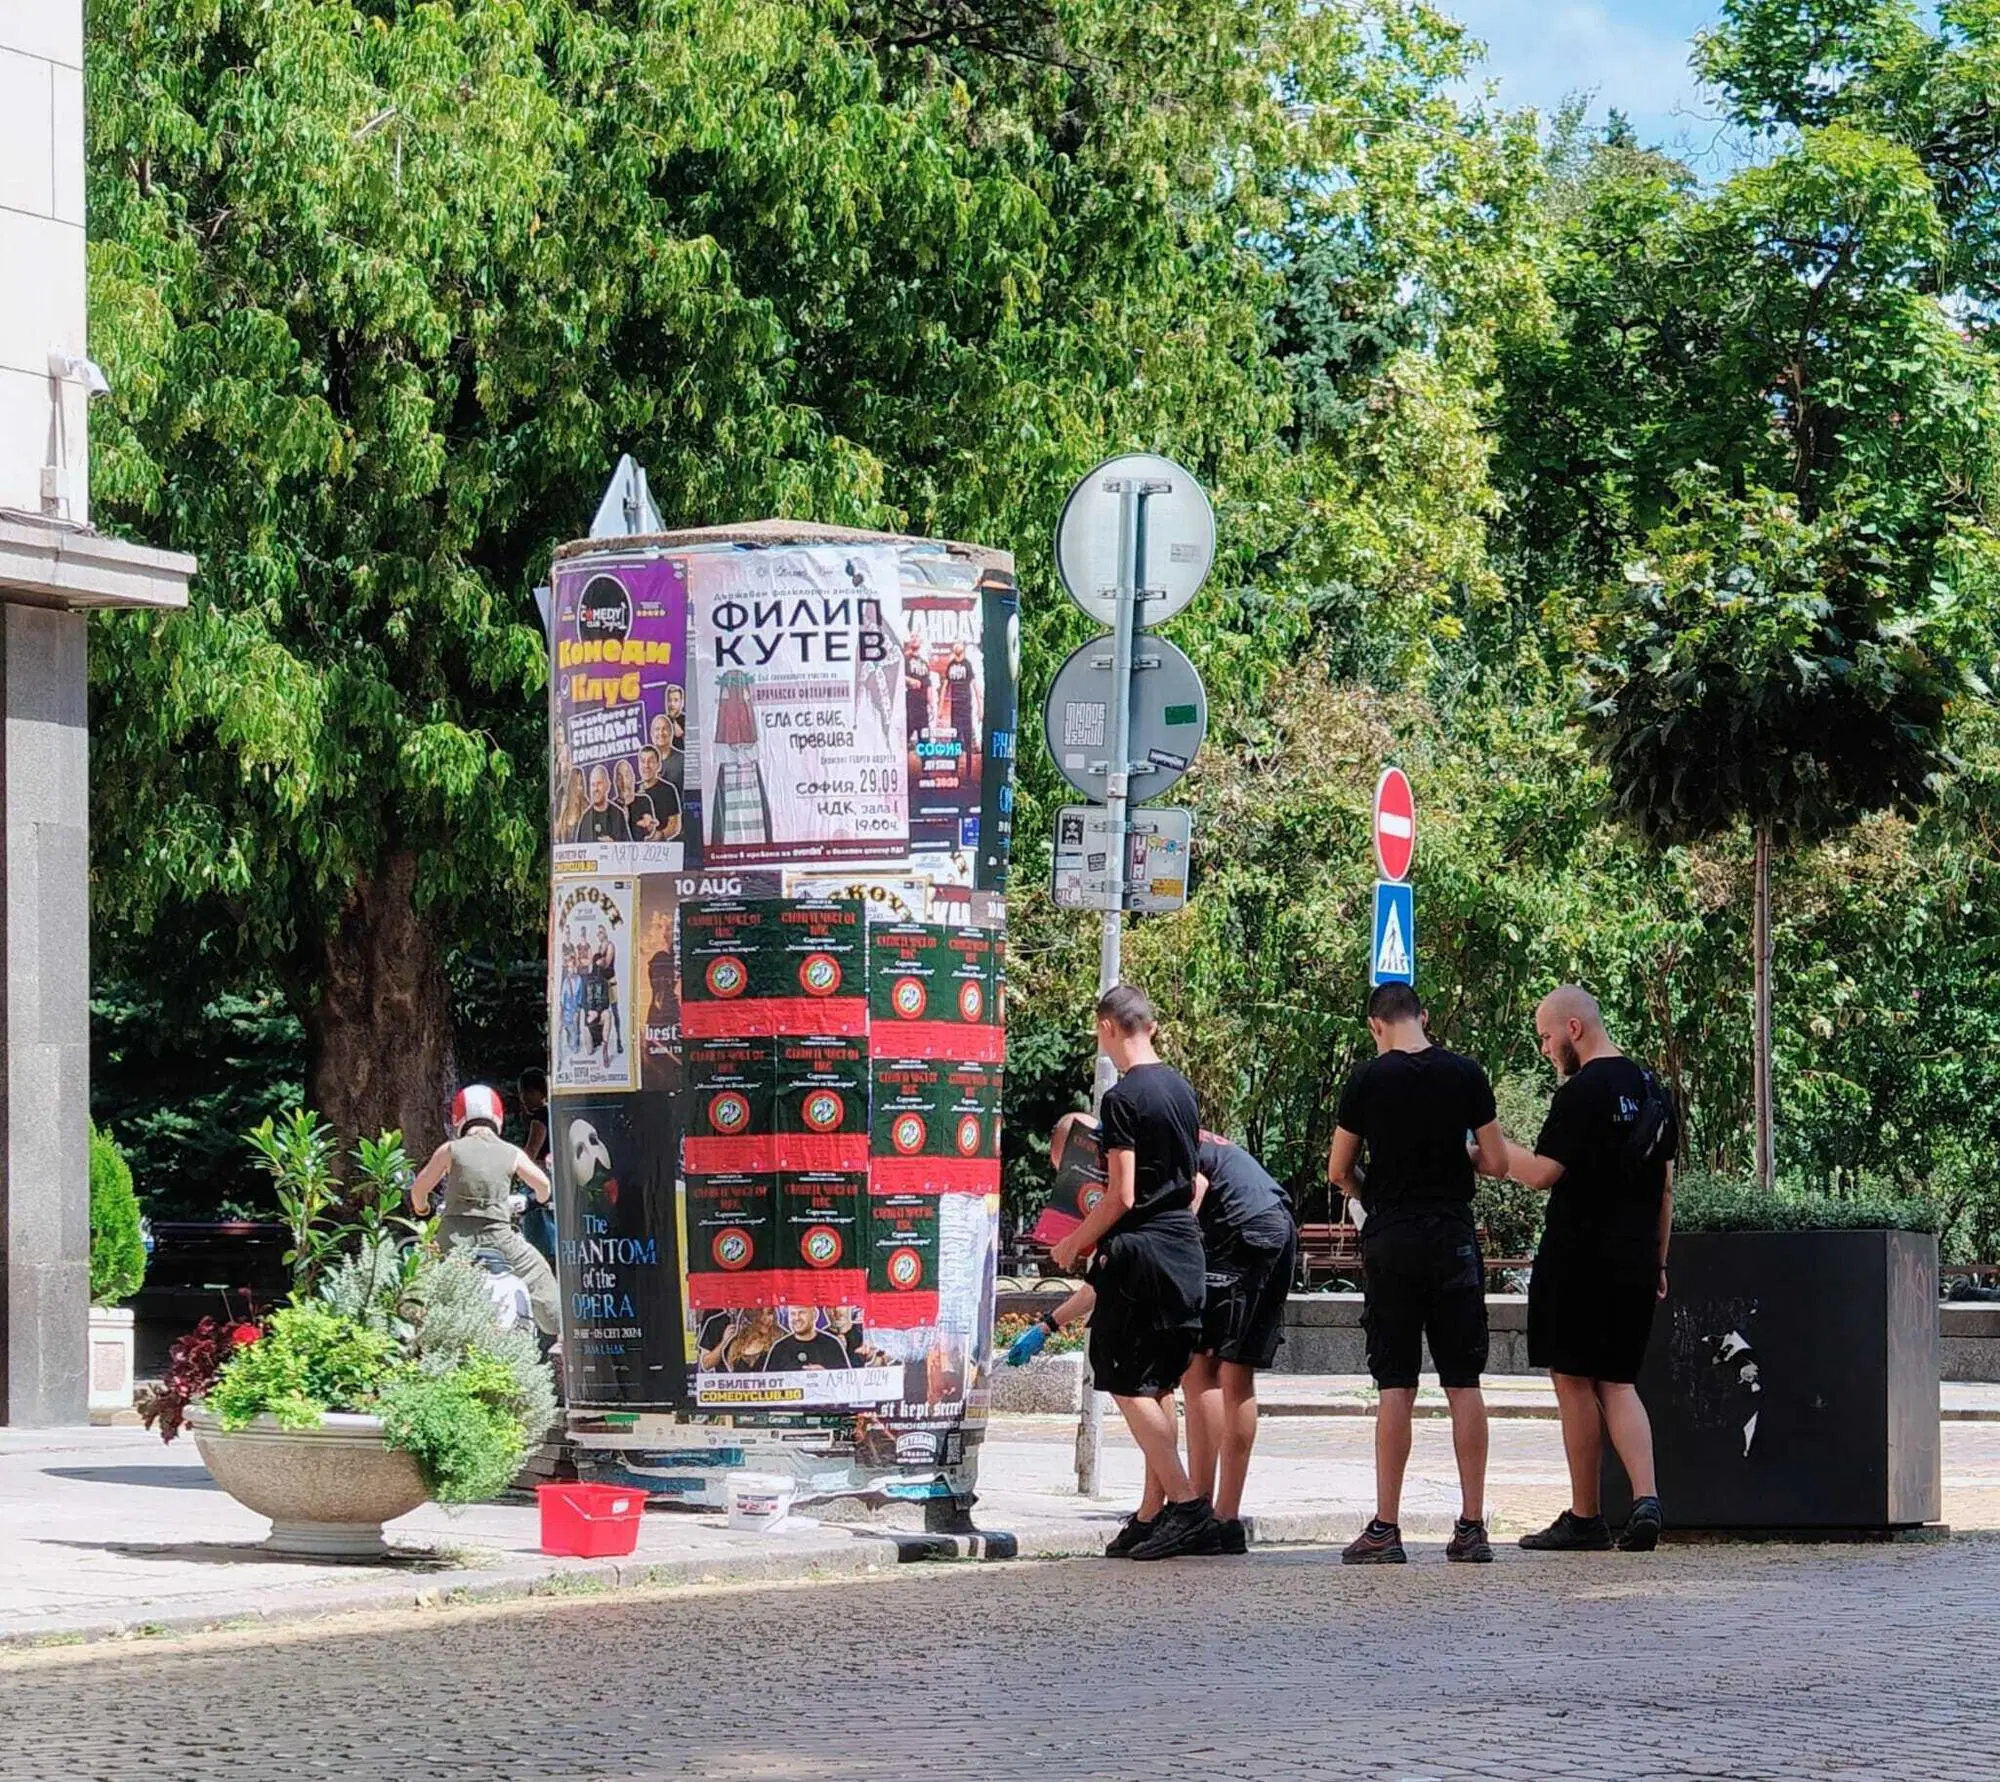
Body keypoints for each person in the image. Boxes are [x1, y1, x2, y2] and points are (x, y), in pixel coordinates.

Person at [1327, 982, 1510, 1565]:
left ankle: (1386, 1527)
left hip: (1391, 1240)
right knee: (1464, 1383)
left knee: (1395, 1385)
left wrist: (1369, 1197)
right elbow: (1498, 1161)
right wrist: (1463, 1158)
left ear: (1376, 1026)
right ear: (1423, 1018)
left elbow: (1338, 1169)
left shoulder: (1368, 1079)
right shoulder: (1466, 1074)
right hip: (1452, 1238)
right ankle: (1472, 1526)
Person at [1505, 986, 1677, 1554]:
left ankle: (1586, 1517)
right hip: (1634, 1257)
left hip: (1579, 1256)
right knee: (1619, 1381)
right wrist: (1658, 1259)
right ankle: (1647, 1497)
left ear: (1573, 1029)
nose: (1547, 1049)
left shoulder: (1582, 1092)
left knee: (1574, 1381)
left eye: (1547, 1037)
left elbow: (1543, 1173)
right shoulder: (1653, 1087)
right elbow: (1665, 1188)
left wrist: (1490, 1156)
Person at [1048, 986, 1215, 1561]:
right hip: (1183, 1249)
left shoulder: (1122, 1100)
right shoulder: (1181, 1090)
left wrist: (1074, 1242)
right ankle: (1154, 1513)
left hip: (1139, 1252)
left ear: (1107, 1027)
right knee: (1157, 1383)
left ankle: (1188, 1505)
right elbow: (1193, 1181)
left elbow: (1119, 1194)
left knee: (1120, 1376)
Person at [1183, 1131, 1296, 1554]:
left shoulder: (1154, 1132)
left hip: (1240, 1229)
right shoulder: (1193, 1129)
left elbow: (1195, 1187)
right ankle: (1226, 1518)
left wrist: (1180, 1238)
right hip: (1276, 1221)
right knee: (1238, 1370)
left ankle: (1196, 1507)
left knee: (1201, 1368)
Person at [408, 1085, 560, 1344]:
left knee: (417, 1280)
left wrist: (424, 1210)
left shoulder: (450, 1150)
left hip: (451, 1240)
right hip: (501, 1239)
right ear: (498, 1117)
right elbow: (544, 1187)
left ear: (458, 1117)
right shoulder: (511, 1152)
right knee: (540, 1276)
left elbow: (418, 1191)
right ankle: (559, 1339)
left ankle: (414, 1339)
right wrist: (536, 1201)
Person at [762, 1305, 852, 1371]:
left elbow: (845, 1385)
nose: (796, 1318)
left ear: (814, 1315)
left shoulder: (832, 1344)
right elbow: (767, 1386)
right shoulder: (779, 1348)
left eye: (802, 1312)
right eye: (793, 1314)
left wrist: (825, 1375)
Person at [632, 745, 683, 842]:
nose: (646, 765)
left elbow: (675, 825)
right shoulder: (632, 790)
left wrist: (660, 835)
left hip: (660, 849)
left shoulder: (669, 790)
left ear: (658, 765)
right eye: (642, 761)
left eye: (651, 761)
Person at [577, 764, 631, 844]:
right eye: (593, 785)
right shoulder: (585, 818)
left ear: (607, 785)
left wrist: (613, 845)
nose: (595, 789)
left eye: (599, 784)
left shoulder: (618, 814)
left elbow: (628, 847)